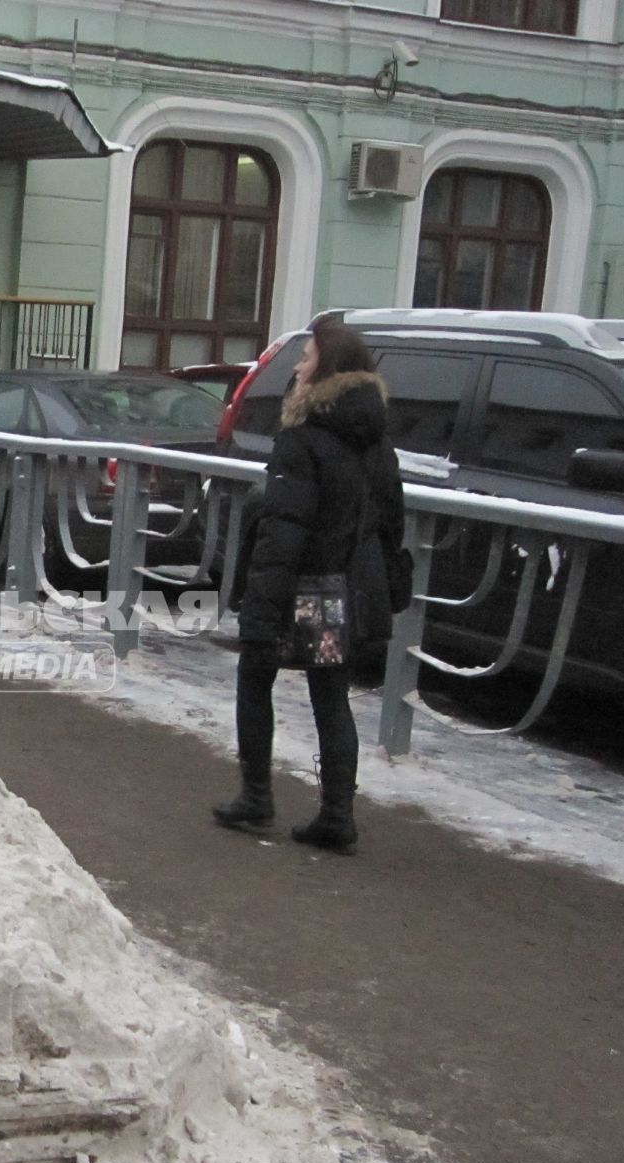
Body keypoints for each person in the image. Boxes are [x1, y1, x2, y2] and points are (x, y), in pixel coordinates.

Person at [213, 317, 405, 853]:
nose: (296, 366)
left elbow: (284, 529)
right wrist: (389, 587)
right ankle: (337, 815)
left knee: (256, 675)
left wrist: (260, 604)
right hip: (348, 587)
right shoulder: (376, 440)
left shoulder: (304, 439)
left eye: (306, 356)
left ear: (328, 367)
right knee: (330, 695)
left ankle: (255, 798)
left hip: (303, 585)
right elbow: (392, 523)